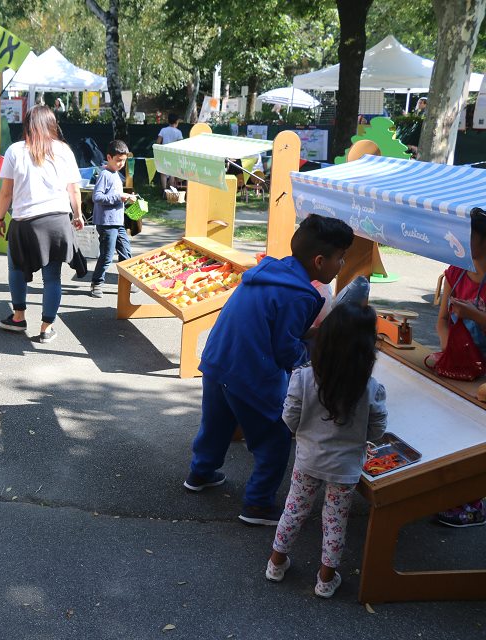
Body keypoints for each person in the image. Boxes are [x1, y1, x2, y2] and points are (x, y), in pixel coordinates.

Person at [184, 213, 354, 526]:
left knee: (217, 423)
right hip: (251, 373)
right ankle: (259, 504)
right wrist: (314, 358)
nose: (341, 266)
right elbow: (285, 348)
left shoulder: (271, 271)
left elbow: (276, 326)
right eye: (340, 259)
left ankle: (201, 472)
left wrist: (313, 336)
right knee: (275, 437)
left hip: (218, 361)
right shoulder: (302, 294)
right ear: (319, 261)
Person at [265, 303, 387, 599]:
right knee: (335, 521)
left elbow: (289, 417)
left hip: (308, 460)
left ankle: (276, 564)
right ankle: (325, 579)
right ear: (366, 349)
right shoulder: (372, 388)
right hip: (345, 469)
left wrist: (304, 434)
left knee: (293, 511)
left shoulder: (303, 377)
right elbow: (377, 430)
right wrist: (360, 438)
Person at [0, 105, 84, 343]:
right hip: (57, 222)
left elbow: (6, 193)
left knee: (16, 269)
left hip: (24, 223)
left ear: (27, 125)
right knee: (52, 278)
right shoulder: (63, 150)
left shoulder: (15, 151)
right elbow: (74, 189)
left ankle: (18, 317)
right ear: (52, 125)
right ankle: (46, 328)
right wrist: (78, 215)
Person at [434, 208, 486, 527]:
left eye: (469, 236)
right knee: (455, 430)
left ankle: (476, 504)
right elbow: (441, 320)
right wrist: (447, 345)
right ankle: (454, 494)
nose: (461, 241)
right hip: (460, 367)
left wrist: (477, 317)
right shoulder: (454, 272)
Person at [89, 139, 137, 298]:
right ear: (109, 157)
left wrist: (128, 197)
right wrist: (119, 197)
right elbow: (97, 197)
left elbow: (117, 196)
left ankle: (127, 282)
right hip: (106, 223)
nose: (121, 164)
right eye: (118, 160)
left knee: (126, 252)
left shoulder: (116, 173)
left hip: (118, 222)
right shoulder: (104, 174)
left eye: (123, 160)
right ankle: (97, 282)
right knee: (107, 255)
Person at [156, 114, 183, 195]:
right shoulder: (178, 132)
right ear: (177, 122)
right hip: (174, 154)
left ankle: (164, 190)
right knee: (172, 173)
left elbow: (158, 142)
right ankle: (171, 192)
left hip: (164, 153)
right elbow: (181, 144)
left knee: (163, 172)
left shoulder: (163, 130)